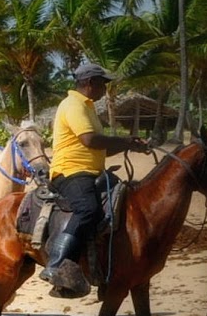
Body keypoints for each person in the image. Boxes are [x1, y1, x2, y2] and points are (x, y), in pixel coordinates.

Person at [38, 60, 151, 297]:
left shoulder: (88, 107)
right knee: (88, 209)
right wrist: (126, 141)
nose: (105, 88)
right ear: (90, 83)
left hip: (91, 172)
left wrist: (131, 145)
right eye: (103, 83)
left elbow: (103, 149)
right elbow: (90, 140)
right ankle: (56, 265)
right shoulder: (73, 105)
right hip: (70, 172)